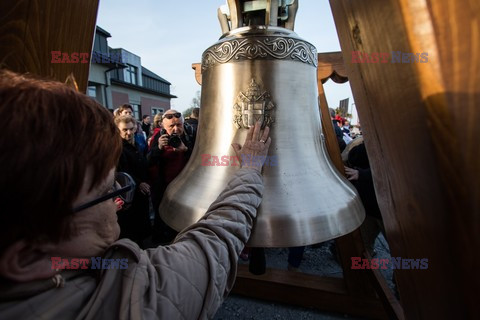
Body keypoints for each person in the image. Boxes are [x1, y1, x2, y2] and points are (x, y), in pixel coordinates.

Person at [0, 69, 272, 319]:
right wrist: (248, 170)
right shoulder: (130, 299)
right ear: (27, 257)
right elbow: (217, 241)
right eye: (105, 191)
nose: (118, 200)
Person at [148, 109, 196, 243]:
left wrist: (186, 150)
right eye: (171, 126)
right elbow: (149, 161)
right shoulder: (159, 137)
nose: (175, 129)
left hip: (187, 186)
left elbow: (201, 158)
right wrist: (158, 148)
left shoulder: (192, 135)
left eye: (179, 125)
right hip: (164, 187)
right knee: (163, 217)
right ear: (163, 126)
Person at [114, 115, 152, 247]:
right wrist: (139, 182)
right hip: (129, 194)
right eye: (125, 130)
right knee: (131, 227)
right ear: (118, 130)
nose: (128, 133)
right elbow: (120, 172)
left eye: (131, 129)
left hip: (141, 191)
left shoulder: (137, 143)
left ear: (135, 128)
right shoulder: (117, 148)